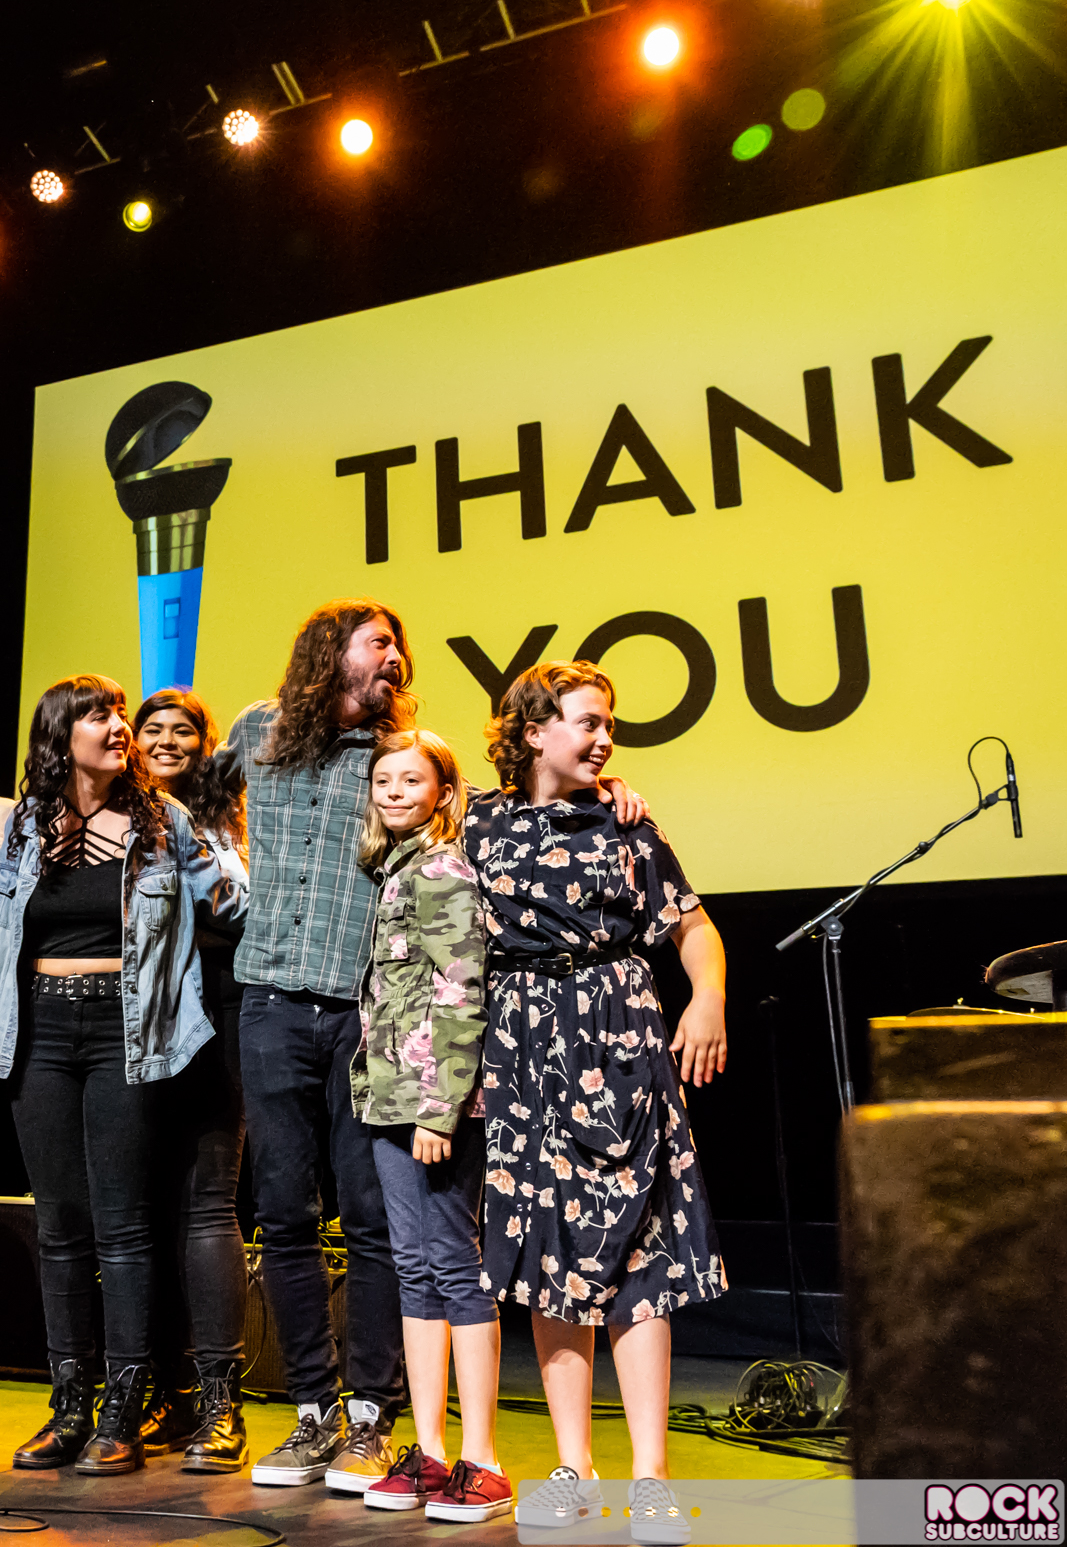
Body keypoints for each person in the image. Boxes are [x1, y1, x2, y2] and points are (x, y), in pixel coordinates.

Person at [211, 598, 646, 1491]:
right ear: (330, 652)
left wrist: (600, 793)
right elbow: (191, 792)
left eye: (400, 645)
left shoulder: (397, 758)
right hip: (269, 1000)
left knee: (375, 1223)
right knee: (284, 1214)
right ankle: (312, 1412)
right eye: (379, 643)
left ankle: (372, 1418)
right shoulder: (257, 729)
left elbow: (486, 804)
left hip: (363, 1017)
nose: (396, 657)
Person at [467, 661, 728, 1547]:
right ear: (533, 730)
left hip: (618, 1037)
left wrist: (707, 998)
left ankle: (650, 1476)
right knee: (550, 1249)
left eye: (609, 724)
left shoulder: (626, 821)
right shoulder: (476, 821)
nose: (605, 738)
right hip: (520, 1046)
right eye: (587, 722)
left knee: (639, 1249)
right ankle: (573, 1468)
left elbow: (691, 924)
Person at [0, 675, 246, 1476]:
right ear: (58, 735)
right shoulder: (23, 826)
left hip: (126, 1031)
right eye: (97, 715)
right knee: (60, 1224)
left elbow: (233, 903)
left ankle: (123, 1407)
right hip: (39, 1032)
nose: (118, 727)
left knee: (123, 1225)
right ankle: (69, 1404)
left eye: (117, 714)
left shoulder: (161, 820)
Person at [351, 730, 512, 1524]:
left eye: (410, 780)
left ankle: (482, 1459)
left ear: (444, 793)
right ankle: (431, 1452)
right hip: (389, 1095)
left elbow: (460, 986)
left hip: (430, 1103)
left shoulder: (442, 868)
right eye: (383, 779)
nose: (392, 791)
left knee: (452, 1263)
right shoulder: (397, 866)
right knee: (414, 1268)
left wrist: (440, 1107)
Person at [132, 690, 250, 1473]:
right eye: (154, 729)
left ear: (206, 746)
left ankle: (219, 1404)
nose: (168, 741)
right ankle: (164, 1395)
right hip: (132, 1019)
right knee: (139, 1211)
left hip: (217, 1012)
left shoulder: (227, 821)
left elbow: (242, 913)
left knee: (207, 1203)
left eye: (185, 731)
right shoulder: (106, 817)